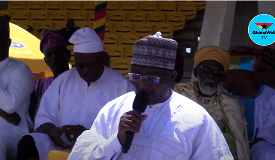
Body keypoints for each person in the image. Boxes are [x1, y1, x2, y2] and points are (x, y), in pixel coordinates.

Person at [68, 32, 233, 160]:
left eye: (152, 78)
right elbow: (78, 156)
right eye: (136, 77)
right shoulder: (113, 110)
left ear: (172, 77)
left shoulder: (196, 119)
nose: (142, 85)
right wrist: (116, 140)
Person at [16, 27, 135, 160]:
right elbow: (44, 118)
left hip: (99, 149)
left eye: (89, 65)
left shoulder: (122, 86)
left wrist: (85, 135)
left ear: (100, 59)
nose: (84, 71)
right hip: (60, 145)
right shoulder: (63, 80)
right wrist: (53, 131)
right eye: (79, 65)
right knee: (29, 142)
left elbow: (125, 132)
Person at [174, 46, 249, 160]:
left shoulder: (232, 105)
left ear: (223, 77)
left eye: (216, 72)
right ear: (196, 72)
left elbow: (239, 145)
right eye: (206, 70)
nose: (210, 76)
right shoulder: (181, 95)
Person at [0, 15, 34, 160]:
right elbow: (4, 109)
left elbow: (9, 105)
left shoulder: (21, 70)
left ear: (8, 42)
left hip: (10, 133)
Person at [224, 69, 275, 160]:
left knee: (269, 154)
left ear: (244, 75)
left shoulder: (274, 98)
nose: (226, 80)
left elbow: (271, 136)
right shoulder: (224, 97)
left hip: (259, 149)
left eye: (233, 77)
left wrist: (246, 149)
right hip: (232, 146)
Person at [34, 29, 71, 97]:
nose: (54, 57)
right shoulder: (40, 85)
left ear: (68, 55)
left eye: (58, 53)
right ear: (45, 61)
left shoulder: (82, 81)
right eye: (49, 55)